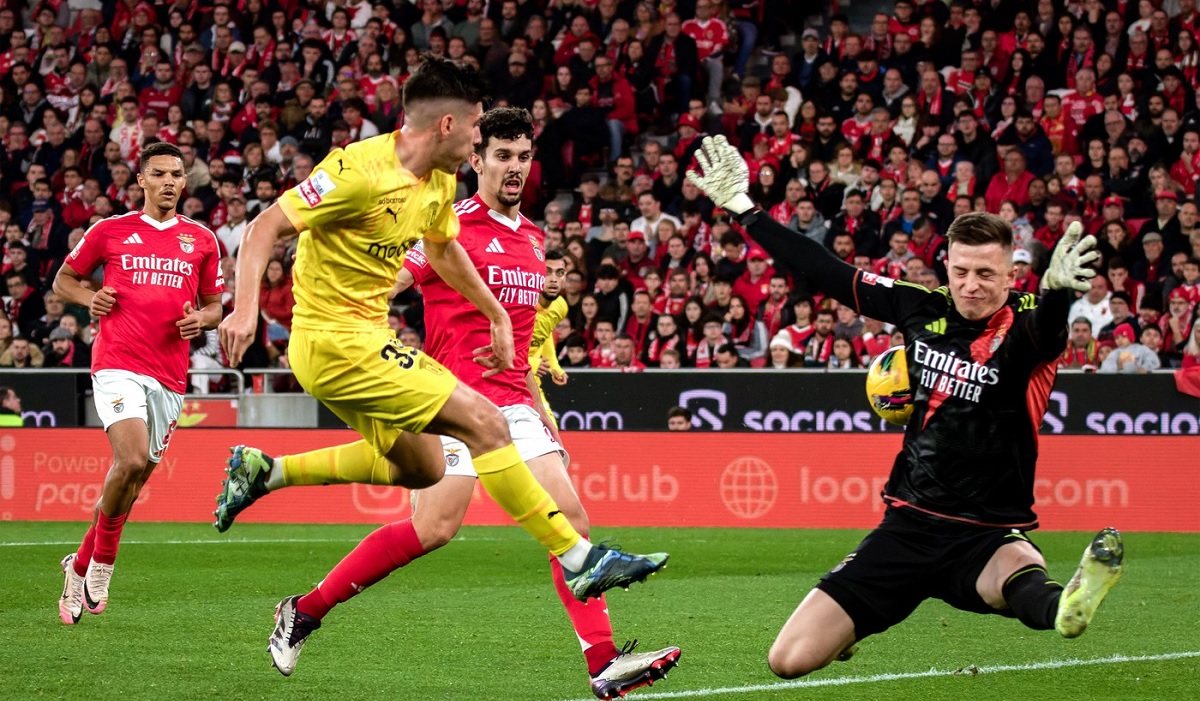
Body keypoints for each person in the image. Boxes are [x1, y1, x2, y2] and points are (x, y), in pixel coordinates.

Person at [213, 64, 669, 676]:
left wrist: (538, 400)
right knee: (435, 526)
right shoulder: (392, 183)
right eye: (497, 149)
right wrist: (260, 309)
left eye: (522, 155)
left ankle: (603, 660)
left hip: (511, 401)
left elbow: (498, 312)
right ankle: (306, 601)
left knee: (544, 510)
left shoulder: (527, 236)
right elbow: (392, 270)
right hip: (444, 390)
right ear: (472, 151)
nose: (510, 164)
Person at [686, 135, 1125, 679]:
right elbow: (825, 269)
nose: (971, 285)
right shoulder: (919, 307)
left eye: (986, 274)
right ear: (946, 265)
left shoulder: (1029, 321)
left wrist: (1058, 292)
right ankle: (854, 628)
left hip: (985, 532)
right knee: (787, 661)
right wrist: (745, 210)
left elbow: (1049, 333)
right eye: (961, 270)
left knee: (1025, 578)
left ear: (1012, 276)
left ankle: (1068, 607)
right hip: (905, 530)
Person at [52, 142, 225, 625]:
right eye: (160, 174)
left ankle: (78, 565)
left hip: (169, 374)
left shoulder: (202, 239)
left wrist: (204, 321)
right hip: (118, 362)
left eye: (177, 174)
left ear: (184, 182)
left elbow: (215, 304)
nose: (169, 181)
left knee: (133, 482)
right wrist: (90, 298)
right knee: (128, 459)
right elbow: (63, 281)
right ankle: (104, 562)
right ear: (141, 181)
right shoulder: (109, 230)